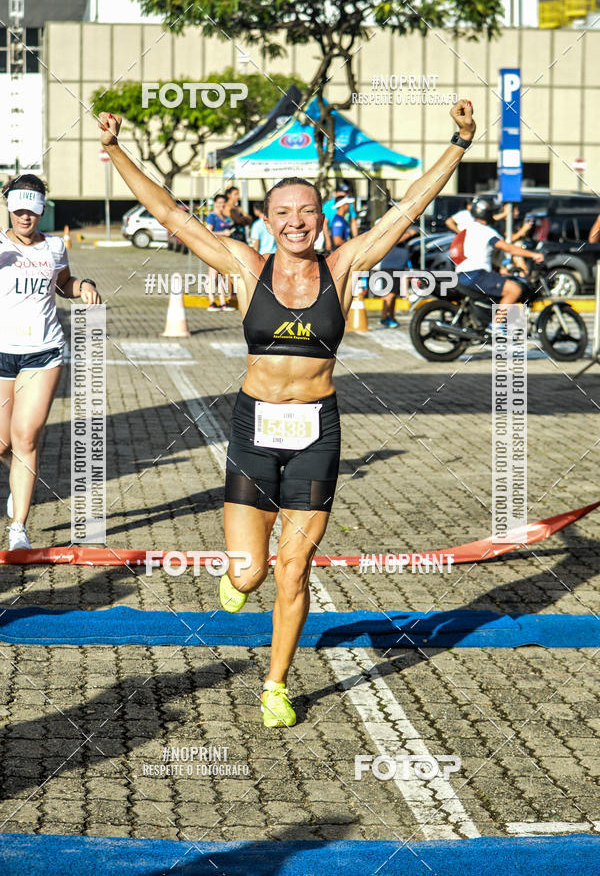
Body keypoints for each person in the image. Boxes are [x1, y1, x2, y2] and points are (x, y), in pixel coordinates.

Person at [98, 99, 476, 728]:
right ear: (268, 221)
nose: (297, 222)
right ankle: (240, 580)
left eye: (307, 210)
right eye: (284, 212)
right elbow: (169, 212)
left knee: (294, 565)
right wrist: (114, 149)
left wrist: (460, 143)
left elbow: (408, 207)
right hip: (253, 430)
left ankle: (276, 683)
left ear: (321, 216)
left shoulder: (346, 265)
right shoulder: (248, 266)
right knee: (249, 573)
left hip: (316, 434)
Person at [0, 173, 101, 550]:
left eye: (32, 211)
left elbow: (63, 283)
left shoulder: (54, 247)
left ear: (42, 210)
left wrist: (84, 287)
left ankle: (18, 528)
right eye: (19, 211)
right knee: (3, 445)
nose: (25, 218)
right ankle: (18, 485)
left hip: (44, 352)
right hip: (1, 353)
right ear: (10, 208)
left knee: (26, 437)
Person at [454, 197, 544, 328]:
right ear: (486, 213)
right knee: (514, 289)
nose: (494, 216)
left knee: (501, 285)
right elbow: (507, 247)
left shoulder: (467, 228)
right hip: (476, 275)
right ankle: (496, 326)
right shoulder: (486, 231)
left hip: (462, 274)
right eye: (492, 212)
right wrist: (534, 254)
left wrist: (498, 268)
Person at [374, 225, 418, 328]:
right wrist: (410, 233)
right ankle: (384, 318)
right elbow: (396, 239)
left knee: (394, 295)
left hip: (398, 267)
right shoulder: (393, 233)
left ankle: (391, 317)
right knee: (389, 294)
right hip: (390, 267)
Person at [205, 194, 234, 310]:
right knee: (213, 276)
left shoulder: (224, 217)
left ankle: (222, 302)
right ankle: (212, 302)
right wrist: (223, 234)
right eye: (220, 202)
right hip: (214, 249)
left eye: (223, 202)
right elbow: (208, 232)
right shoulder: (212, 217)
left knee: (223, 276)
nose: (222, 204)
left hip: (224, 250)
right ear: (215, 203)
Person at [322, 184, 359, 252]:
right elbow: (324, 223)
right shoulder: (328, 205)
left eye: (346, 193)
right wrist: (328, 241)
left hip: (343, 234)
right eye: (342, 192)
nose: (344, 194)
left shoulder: (348, 204)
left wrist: (356, 239)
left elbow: (353, 221)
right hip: (332, 235)